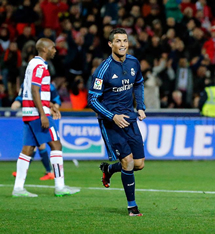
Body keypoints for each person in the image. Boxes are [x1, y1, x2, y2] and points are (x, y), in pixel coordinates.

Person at [87, 28, 146, 217]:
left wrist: (141, 106)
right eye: (118, 41)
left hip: (129, 117)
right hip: (111, 122)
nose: (122, 44)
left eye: (125, 41)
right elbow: (92, 100)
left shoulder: (133, 62)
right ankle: (132, 208)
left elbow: (138, 83)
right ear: (110, 44)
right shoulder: (103, 69)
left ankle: (110, 169)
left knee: (139, 164)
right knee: (128, 162)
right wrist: (112, 116)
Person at [12, 38, 80, 197]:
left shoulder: (32, 64)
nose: (55, 50)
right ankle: (60, 187)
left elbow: (32, 91)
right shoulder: (40, 66)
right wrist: (43, 114)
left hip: (29, 113)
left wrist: (50, 105)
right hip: (37, 114)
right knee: (56, 146)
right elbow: (34, 90)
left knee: (27, 150)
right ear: (44, 49)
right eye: (53, 48)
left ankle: (18, 188)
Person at [11, 83, 62, 180]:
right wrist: (17, 102)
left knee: (42, 145)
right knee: (35, 146)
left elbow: (56, 101)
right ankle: (50, 174)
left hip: (43, 117)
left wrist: (51, 109)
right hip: (33, 115)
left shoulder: (49, 86)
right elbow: (22, 97)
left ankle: (51, 174)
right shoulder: (26, 84)